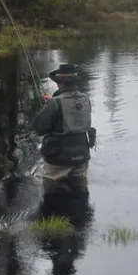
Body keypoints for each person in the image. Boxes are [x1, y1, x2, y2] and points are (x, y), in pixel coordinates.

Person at [31, 63, 96, 194]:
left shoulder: (55, 103)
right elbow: (71, 111)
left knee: (52, 191)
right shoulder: (85, 99)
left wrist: (49, 106)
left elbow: (38, 128)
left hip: (59, 158)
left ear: (60, 83)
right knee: (80, 191)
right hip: (82, 155)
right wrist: (52, 102)